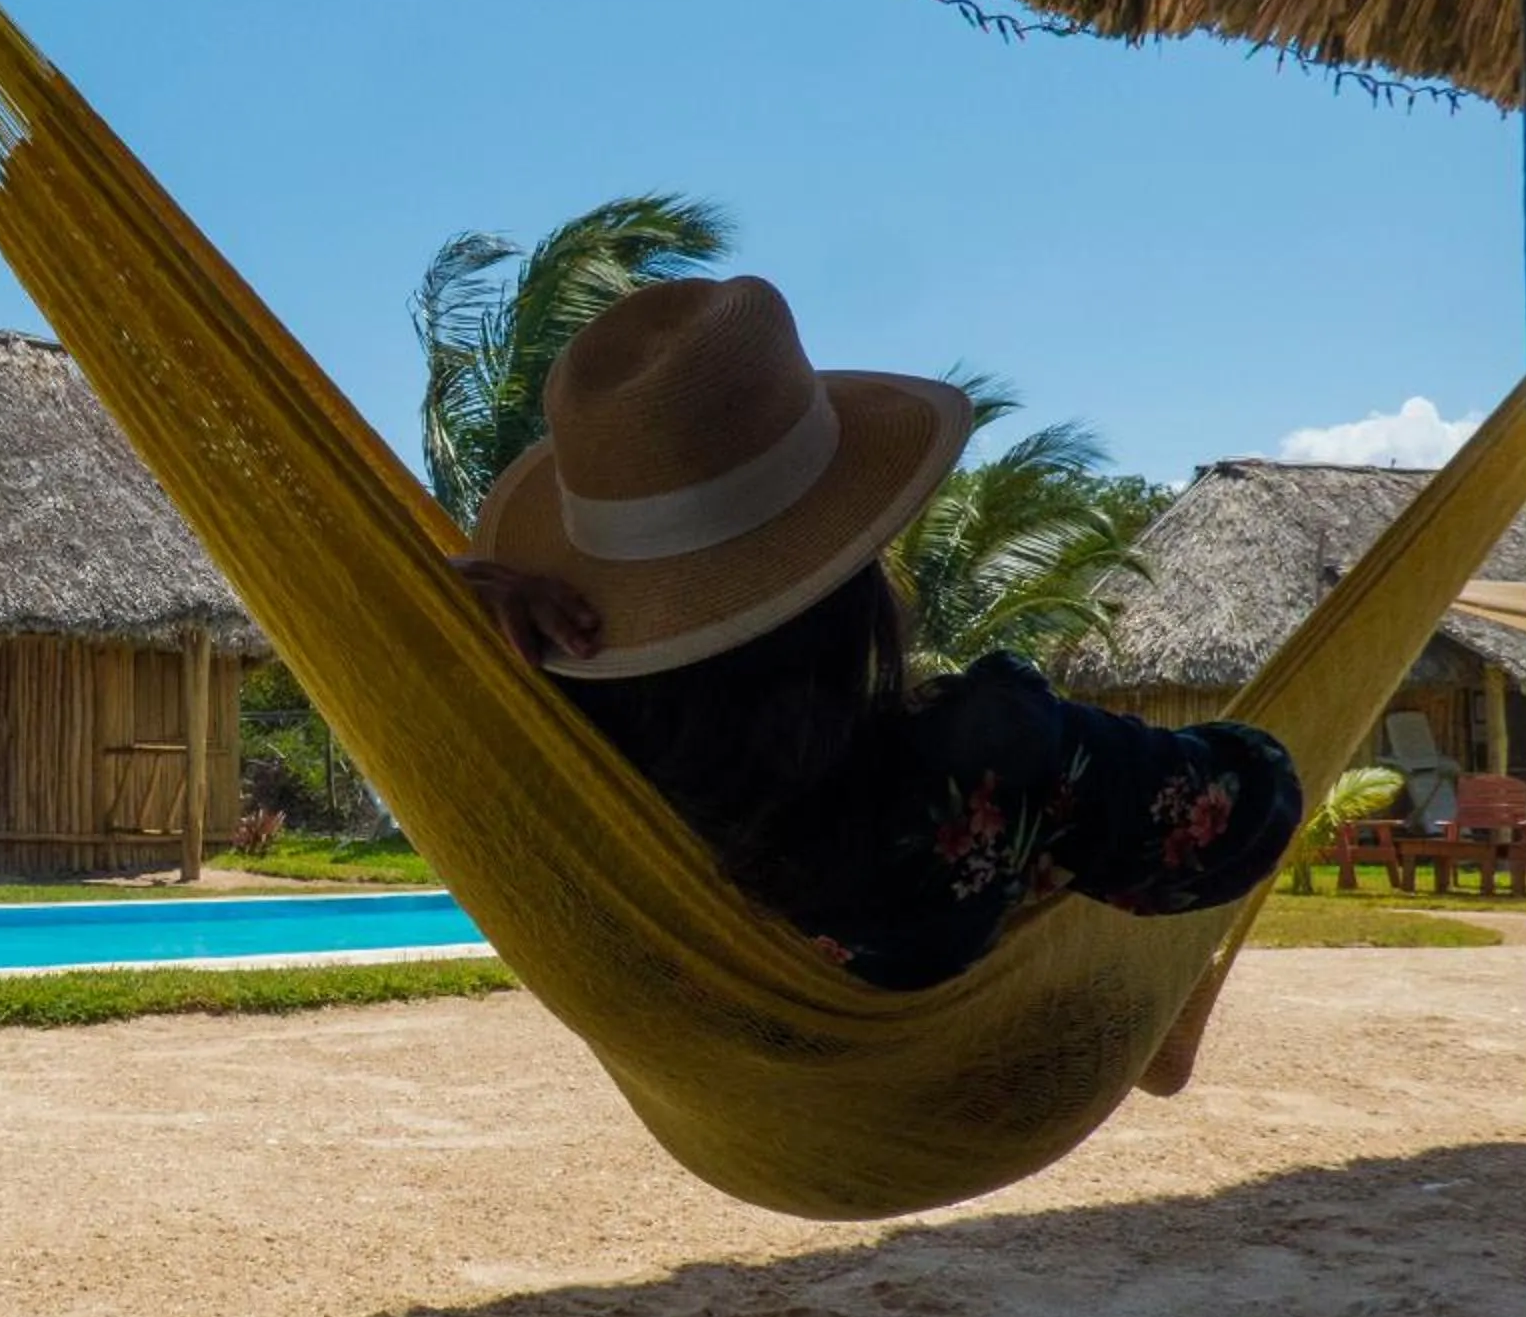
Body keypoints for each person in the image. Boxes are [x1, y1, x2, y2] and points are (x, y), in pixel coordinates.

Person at [453, 275, 1301, 992]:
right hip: (949, 1100)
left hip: (744, 1105)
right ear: (851, 564)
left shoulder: (561, 758)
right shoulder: (986, 758)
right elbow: (1255, 804)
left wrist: (454, 621)